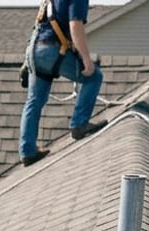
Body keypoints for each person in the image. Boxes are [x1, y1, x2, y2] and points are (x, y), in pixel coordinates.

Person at [19, 0, 107, 167]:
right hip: (52, 50)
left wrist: (27, 62)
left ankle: (27, 151)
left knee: (34, 100)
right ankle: (79, 124)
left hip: (34, 51)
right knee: (93, 77)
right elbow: (75, 25)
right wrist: (87, 60)